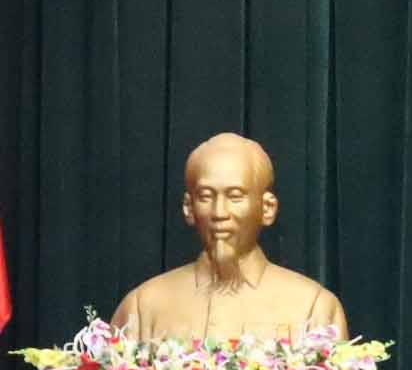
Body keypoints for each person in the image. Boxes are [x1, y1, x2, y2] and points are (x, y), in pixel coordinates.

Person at [111, 132, 348, 341]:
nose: (219, 213)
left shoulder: (313, 307)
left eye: (235, 196)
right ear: (188, 208)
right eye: (205, 196)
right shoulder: (143, 307)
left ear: (267, 208)